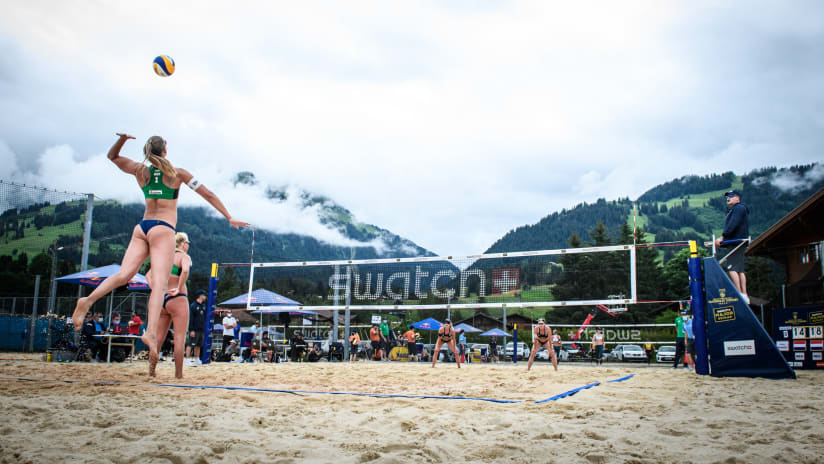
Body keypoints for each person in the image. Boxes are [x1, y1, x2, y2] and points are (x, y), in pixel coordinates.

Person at [71, 133, 248, 377]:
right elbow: (207, 194)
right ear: (165, 150)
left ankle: (87, 300)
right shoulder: (177, 174)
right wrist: (229, 216)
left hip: (141, 227)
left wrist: (122, 140)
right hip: (162, 229)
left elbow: (112, 157)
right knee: (160, 285)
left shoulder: (139, 171)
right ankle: (151, 332)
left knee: (123, 274)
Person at [147, 232, 192, 378]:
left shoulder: (164, 257)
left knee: (158, 338)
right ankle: (178, 374)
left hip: (162, 298)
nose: (188, 246)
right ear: (183, 243)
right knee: (179, 338)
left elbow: (148, 275)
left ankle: (151, 371)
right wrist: (179, 287)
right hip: (177, 297)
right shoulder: (183, 257)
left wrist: (157, 289)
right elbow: (184, 270)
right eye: (188, 243)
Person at [715, 190, 750, 303]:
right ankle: (743, 294)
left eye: (731, 196)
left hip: (736, 242)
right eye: (727, 197)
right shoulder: (738, 209)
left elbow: (732, 225)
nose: (728, 198)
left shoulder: (738, 208)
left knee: (731, 268)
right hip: (738, 242)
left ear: (738, 198)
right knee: (739, 269)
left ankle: (740, 293)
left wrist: (723, 238)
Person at [186, 289, 208, 365]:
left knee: (198, 345)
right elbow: (190, 318)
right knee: (191, 344)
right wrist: (191, 329)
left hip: (201, 328)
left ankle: (197, 358)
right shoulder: (193, 305)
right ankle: (187, 359)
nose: (205, 297)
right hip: (194, 328)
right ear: (200, 296)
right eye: (204, 295)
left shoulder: (203, 305)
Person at [673, 303, 687, 369]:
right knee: (678, 351)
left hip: (685, 337)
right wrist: (678, 333)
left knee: (686, 351)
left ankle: (685, 364)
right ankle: (675, 365)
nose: (683, 315)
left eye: (684, 314)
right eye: (682, 314)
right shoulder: (677, 319)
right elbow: (676, 328)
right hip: (679, 337)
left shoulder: (687, 319)